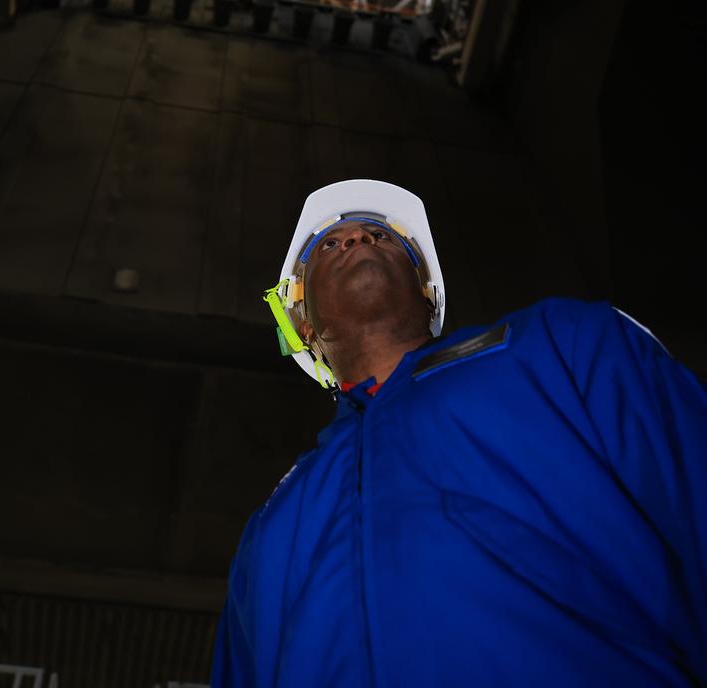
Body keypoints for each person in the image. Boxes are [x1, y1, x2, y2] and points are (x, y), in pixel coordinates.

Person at [212, 178, 707, 687]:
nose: (358, 240)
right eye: (330, 246)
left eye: (382, 237)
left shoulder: (567, 344)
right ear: (304, 324)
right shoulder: (268, 530)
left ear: (429, 295)